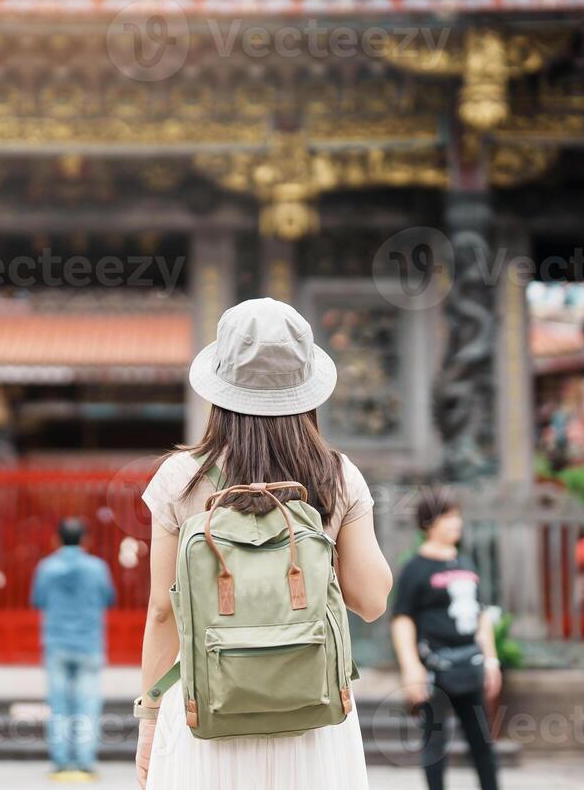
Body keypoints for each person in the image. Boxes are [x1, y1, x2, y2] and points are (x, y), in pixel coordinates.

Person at [135, 297, 393, 790]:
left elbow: (163, 611)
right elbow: (373, 600)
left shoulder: (181, 478)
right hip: (313, 718)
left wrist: (149, 718)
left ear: (219, 388)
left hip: (205, 712)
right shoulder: (336, 476)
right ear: (307, 388)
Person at [391, 488, 501, 790]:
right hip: (434, 670)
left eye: (457, 515)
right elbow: (402, 620)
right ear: (429, 522)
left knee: (482, 742)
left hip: (470, 665)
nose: (456, 523)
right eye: (448, 516)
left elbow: (480, 615)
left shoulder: (465, 562)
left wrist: (491, 660)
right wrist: (410, 667)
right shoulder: (415, 568)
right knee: (434, 746)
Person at [31, 516, 116, 782]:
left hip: (56, 643)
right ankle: (85, 762)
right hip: (88, 643)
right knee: (87, 705)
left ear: (56, 539)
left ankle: (60, 763)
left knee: (58, 705)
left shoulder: (46, 568)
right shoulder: (97, 568)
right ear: (85, 540)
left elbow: (37, 600)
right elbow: (109, 598)